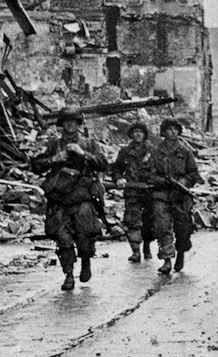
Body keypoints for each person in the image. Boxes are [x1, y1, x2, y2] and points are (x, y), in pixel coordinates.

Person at [31, 106, 108, 290]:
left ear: (79, 123)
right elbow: (36, 165)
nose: (70, 125)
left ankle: (86, 262)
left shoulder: (89, 143)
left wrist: (84, 154)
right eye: (67, 122)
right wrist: (54, 159)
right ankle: (68, 275)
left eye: (74, 121)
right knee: (62, 237)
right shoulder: (53, 145)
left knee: (86, 234)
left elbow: (103, 164)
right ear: (61, 125)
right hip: (60, 198)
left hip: (83, 196)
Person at [151, 118, 200, 277]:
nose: (172, 132)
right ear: (163, 132)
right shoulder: (156, 151)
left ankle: (180, 253)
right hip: (162, 194)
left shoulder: (185, 151)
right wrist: (161, 181)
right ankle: (166, 260)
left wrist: (183, 182)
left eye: (175, 129)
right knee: (162, 226)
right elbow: (148, 174)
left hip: (181, 195)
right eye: (168, 129)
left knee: (183, 228)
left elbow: (194, 173)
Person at [110, 121, 156, 263]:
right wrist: (118, 179)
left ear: (145, 135)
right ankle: (135, 251)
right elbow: (116, 168)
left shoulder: (152, 150)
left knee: (149, 222)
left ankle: (147, 246)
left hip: (149, 191)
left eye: (140, 132)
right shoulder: (125, 151)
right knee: (132, 221)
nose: (138, 134)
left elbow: (160, 168)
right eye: (135, 132)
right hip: (132, 191)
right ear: (131, 134)